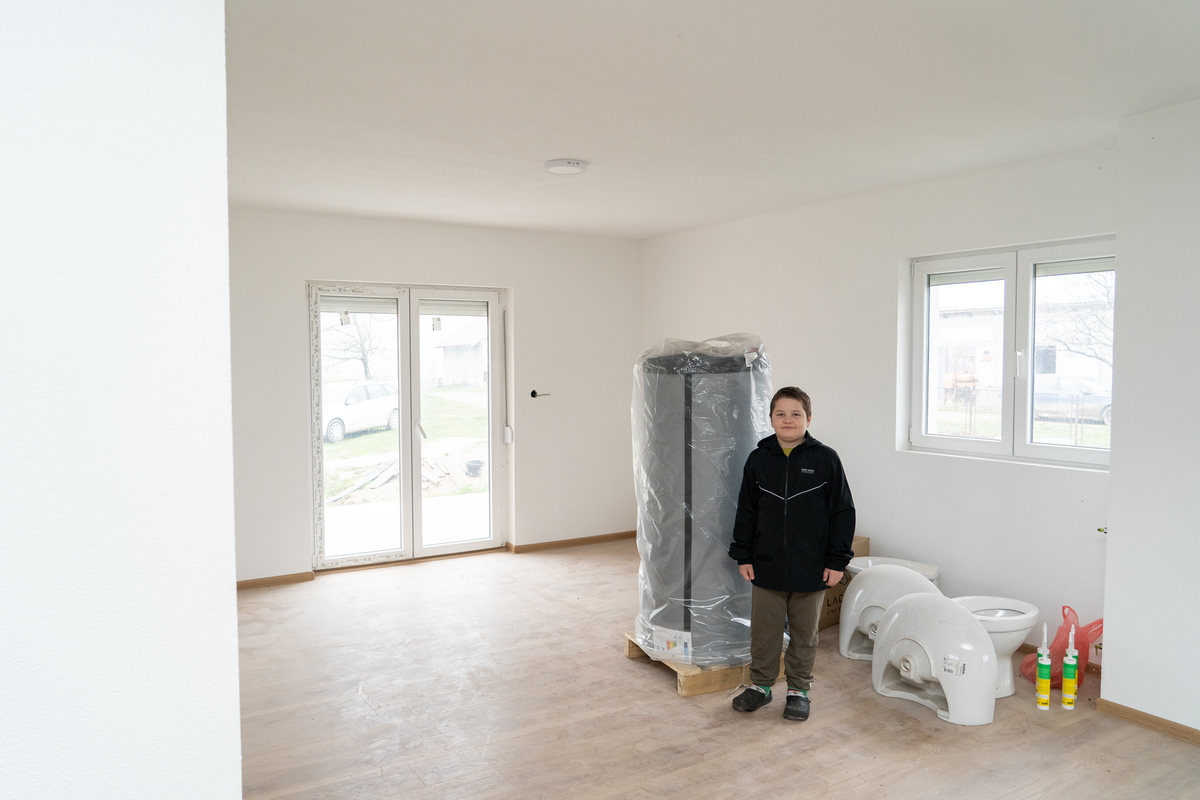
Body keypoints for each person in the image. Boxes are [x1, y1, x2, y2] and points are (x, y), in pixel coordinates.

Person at [727, 386, 856, 721]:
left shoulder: (826, 459)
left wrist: (837, 561)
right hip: (766, 564)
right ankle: (761, 686)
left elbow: (843, 512)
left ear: (808, 419)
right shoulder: (758, 459)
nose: (788, 420)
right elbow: (746, 511)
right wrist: (744, 554)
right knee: (764, 631)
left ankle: (799, 690)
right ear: (770, 419)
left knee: (804, 633)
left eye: (795, 414)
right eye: (780, 414)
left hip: (811, 566)